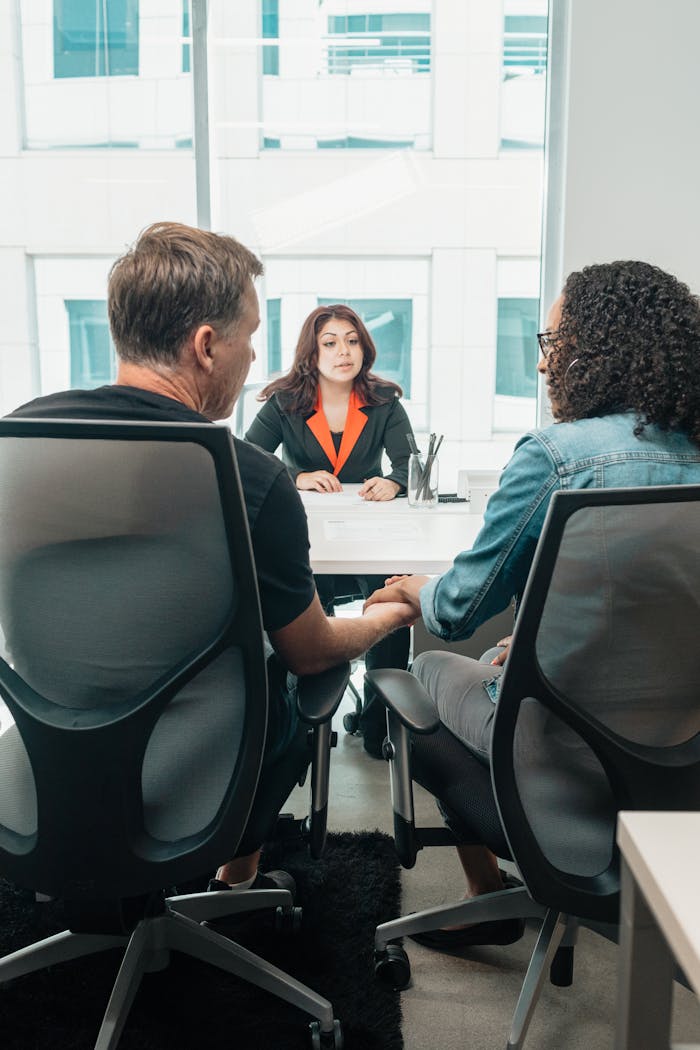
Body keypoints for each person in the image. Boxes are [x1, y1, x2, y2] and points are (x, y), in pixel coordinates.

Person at [5, 222, 415, 896]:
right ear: (205, 346)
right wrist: (385, 616)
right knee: (301, 683)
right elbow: (312, 651)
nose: (254, 357)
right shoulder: (246, 477)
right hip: (188, 782)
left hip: (40, 762)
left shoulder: (22, 439)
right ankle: (236, 878)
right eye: (250, 337)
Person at [365, 259, 700, 947]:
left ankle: (485, 889)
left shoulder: (559, 456)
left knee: (424, 669)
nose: (544, 364)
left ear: (594, 349)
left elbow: (458, 607)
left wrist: (412, 589)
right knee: (497, 652)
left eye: (551, 343)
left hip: (561, 744)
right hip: (678, 748)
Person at [245, 304, 415, 757]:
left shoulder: (383, 400)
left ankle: (379, 726)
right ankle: (303, 730)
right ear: (311, 353)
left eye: (352, 340)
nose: (344, 351)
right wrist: (295, 476)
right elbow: (248, 460)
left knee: (391, 598)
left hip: (371, 536)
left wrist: (394, 481)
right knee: (299, 615)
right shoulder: (285, 401)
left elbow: (409, 466)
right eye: (330, 343)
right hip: (308, 539)